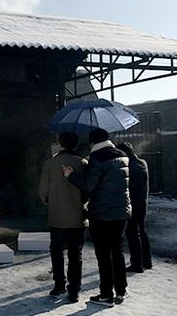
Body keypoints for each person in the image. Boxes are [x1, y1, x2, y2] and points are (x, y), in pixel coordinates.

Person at [62, 128, 131, 306]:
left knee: (103, 254)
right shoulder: (123, 155)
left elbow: (88, 186)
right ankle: (121, 289)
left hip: (102, 214)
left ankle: (106, 294)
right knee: (118, 251)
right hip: (121, 211)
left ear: (93, 143)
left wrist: (71, 176)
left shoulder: (97, 158)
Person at [39, 132, 87, 303]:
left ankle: (59, 284)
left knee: (57, 250)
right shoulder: (83, 163)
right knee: (76, 253)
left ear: (60, 144)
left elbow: (43, 191)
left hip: (56, 215)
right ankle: (74, 289)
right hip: (77, 216)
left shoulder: (50, 164)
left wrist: (48, 202)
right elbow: (87, 189)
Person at [117, 142, 151, 272]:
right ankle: (147, 261)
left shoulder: (129, 167)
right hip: (142, 203)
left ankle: (137, 263)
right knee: (142, 231)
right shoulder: (142, 163)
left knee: (132, 234)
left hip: (132, 203)